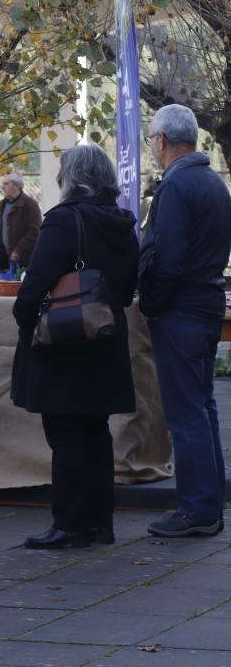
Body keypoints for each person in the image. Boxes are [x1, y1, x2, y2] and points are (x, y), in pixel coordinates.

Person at [10, 144, 139, 549]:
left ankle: (68, 523)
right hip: (104, 337)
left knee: (65, 434)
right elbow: (127, 285)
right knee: (96, 433)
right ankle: (101, 522)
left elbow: (35, 286)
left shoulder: (64, 221)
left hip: (65, 343)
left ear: (71, 177)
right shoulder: (121, 222)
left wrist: (23, 314)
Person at [139, 104, 231, 538]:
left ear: (160, 140)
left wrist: (151, 303)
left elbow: (168, 259)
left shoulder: (176, 186)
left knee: (186, 413)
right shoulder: (212, 182)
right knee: (203, 407)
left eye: (151, 141)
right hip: (207, 304)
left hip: (181, 310)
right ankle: (209, 502)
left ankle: (197, 508)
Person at [0, 172, 42, 274]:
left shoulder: (30, 205)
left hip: (25, 260)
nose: (3, 187)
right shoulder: (3, 204)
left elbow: (34, 231)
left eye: (7, 184)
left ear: (17, 186)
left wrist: (18, 250)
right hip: (7, 260)